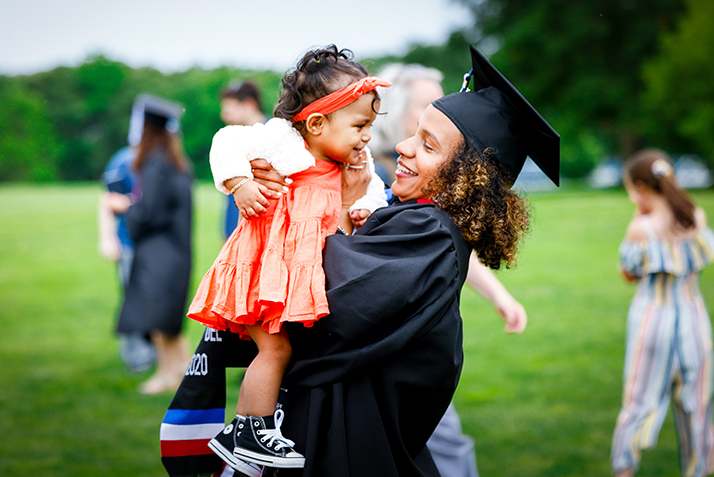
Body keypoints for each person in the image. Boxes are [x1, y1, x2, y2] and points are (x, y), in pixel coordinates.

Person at [160, 44, 559, 477]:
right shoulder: (411, 216)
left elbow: (330, 302)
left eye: (427, 145)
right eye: (414, 132)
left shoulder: (432, 235)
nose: (403, 147)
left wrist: (318, 209)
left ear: (467, 176)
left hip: (344, 443)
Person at [186, 45, 390, 472]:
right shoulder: (281, 142)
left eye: (370, 125)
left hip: (296, 275)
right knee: (275, 350)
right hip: (266, 271)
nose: (367, 136)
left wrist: (364, 207)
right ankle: (248, 428)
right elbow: (226, 140)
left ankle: (250, 429)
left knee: (287, 351)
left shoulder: (354, 159)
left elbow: (372, 191)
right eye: (360, 125)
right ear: (316, 123)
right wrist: (240, 182)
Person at [370, 62, 528, 477]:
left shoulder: (432, 208)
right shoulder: (368, 167)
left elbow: (444, 245)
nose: (452, 106)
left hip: (410, 350)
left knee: (438, 439)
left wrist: (499, 295)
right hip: (390, 354)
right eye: (427, 103)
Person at [611, 149, 714, 477]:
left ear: (640, 187)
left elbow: (629, 273)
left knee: (638, 404)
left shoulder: (641, 228)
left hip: (653, 320)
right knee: (698, 404)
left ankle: (624, 469)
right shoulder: (695, 217)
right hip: (694, 317)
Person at [106, 94, 193, 395]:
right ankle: (177, 369)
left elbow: (150, 213)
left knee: (159, 318)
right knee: (167, 317)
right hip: (176, 251)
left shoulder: (156, 165)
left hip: (159, 254)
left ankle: (167, 372)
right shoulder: (178, 164)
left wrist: (124, 207)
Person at [98, 96, 156, 373]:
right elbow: (107, 201)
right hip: (129, 242)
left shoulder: (161, 161)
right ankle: (137, 357)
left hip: (157, 245)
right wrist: (107, 239)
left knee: (156, 299)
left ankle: (157, 353)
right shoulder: (122, 160)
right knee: (132, 300)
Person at [219, 81, 269, 239]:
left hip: (264, 234)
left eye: (229, 108)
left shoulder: (275, 138)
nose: (224, 114)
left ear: (249, 105)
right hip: (235, 232)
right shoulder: (231, 139)